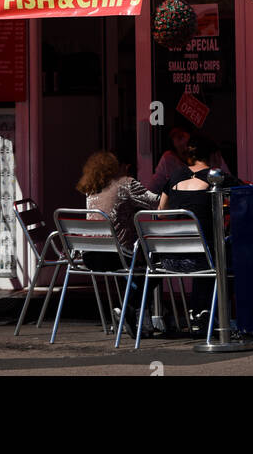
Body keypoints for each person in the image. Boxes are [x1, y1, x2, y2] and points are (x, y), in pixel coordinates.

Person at [157, 133, 241, 325]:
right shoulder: (216, 177)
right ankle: (223, 317)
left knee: (208, 244)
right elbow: (245, 197)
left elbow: (161, 212)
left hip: (170, 260)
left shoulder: (175, 176)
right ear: (214, 156)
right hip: (203, 258)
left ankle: (201, 310)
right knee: (229, 251)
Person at [76, 151, 158, 337]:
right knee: (157, 265)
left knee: (139, 269)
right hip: (117, 254)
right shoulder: (126, 184)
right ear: (118, 167)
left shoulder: (92, 189)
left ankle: (138, 317)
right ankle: (131, 307)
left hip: (90, 255)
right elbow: (157, 203)